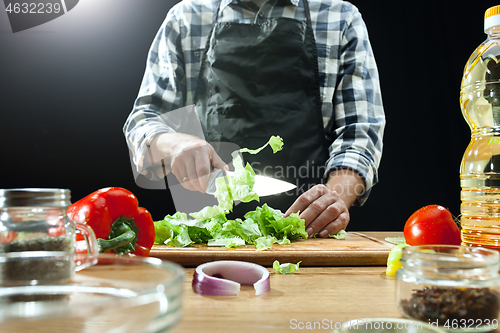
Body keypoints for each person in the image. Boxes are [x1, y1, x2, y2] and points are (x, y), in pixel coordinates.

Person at [124, 0, 385, 238]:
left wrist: (334, 198)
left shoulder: (340, 18)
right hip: (207, 239)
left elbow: (359, 133)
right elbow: (143, 120)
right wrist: (173, 144)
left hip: (308, 235)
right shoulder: (185, 18)